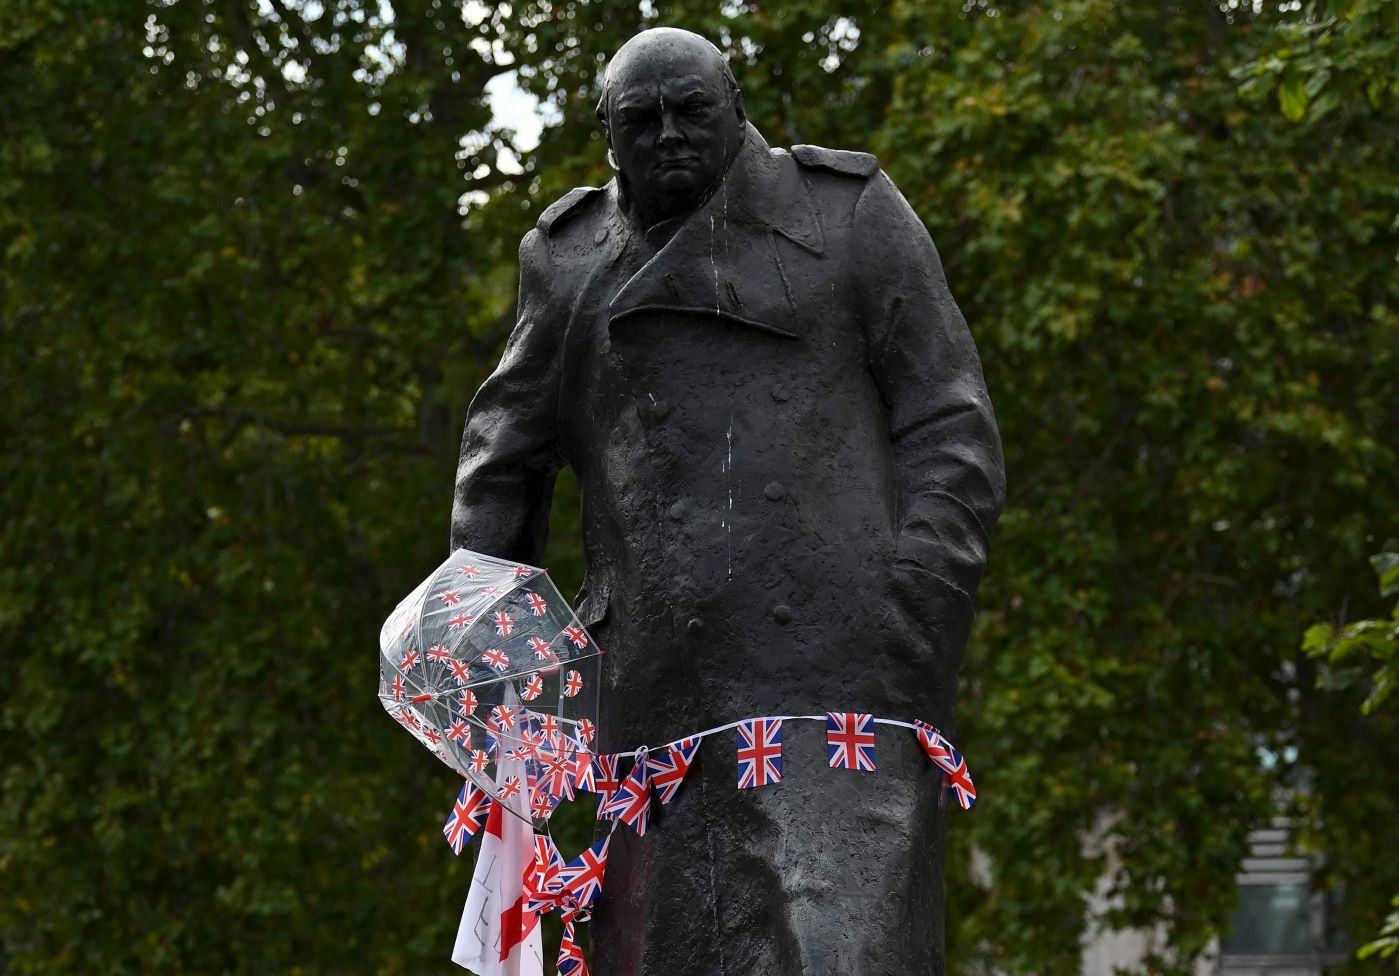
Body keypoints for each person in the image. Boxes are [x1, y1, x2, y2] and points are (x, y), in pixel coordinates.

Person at [451, 26, 1005, 975]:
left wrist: (910, 609)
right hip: (654, 711)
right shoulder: (568, 259)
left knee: (839, 953)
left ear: (735, 105)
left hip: (841, 697)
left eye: (691, 110)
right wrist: (504, 694)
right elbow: (501, 468)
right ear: (607, 135)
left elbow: (950, 429)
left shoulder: (848, 215)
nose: (669, 134)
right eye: (642, 119)